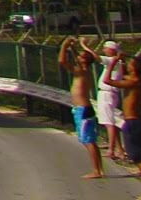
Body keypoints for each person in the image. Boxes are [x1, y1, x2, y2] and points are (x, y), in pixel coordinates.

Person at [59, 37, 106, 179]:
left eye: (81, 56)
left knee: (88, 141)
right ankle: (98, 168)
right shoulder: (85, 70)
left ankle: (97, 170)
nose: (78, 56)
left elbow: (62, 61)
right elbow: (78, 58)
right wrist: (72, 47)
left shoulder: (80, 71)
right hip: (83, 109)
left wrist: (64, 46)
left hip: (83, 110)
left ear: (84, 60)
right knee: (89, 140)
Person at [117, 50, 141, 200]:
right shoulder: (137, 80)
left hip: (134, 122)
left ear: (134, 68)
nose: (127, 65)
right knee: (138, 158)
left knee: (140, 159)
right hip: (132, 122)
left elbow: (108, 80)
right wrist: (121, 62)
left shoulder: (135, 82)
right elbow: (122, 76)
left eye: (129, 64)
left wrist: (114, 62)